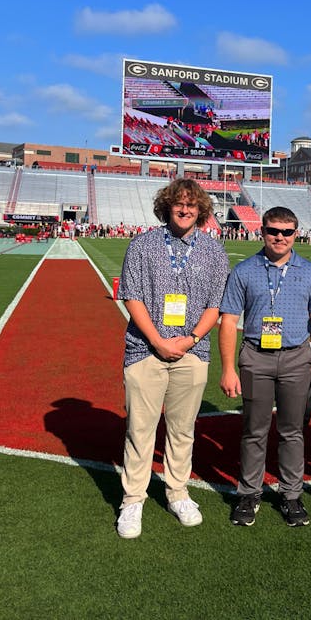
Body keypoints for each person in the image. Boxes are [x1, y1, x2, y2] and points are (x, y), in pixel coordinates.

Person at [114, 178, 230, 539]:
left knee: (182, 429)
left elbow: (216, 304)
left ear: (201, 211)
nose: (185, 210)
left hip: (192, 353)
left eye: (192, 205)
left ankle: (177, 492)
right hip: (145, 350)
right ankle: (133, 499)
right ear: (167, 206)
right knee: (140, 429)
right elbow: (132, 296)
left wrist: (191, 338)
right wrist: (157, 340)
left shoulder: (214, 251)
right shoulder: (143, 245)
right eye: (179, 204)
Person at [219, 207, 311, 527]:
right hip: (256, 356)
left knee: (293, 430)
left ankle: (291, 494)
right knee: (255, 428)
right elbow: (228, 321)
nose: (280, 237)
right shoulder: (244, 271)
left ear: (296, 234)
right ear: (262, 231)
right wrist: (228, 368)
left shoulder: (310, 271)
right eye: (273, 231)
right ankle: (249, 493)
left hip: (297, 357)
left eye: (287, 232)